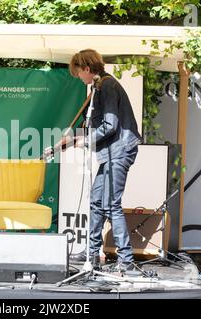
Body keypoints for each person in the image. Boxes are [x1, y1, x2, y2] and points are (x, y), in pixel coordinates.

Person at [67, 49, 143, 272]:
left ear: (87, 69)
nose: (79, 77)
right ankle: (91, 253)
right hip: (112, 152)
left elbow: (110, 125)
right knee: (96, 201)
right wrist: (74, 139)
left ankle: (126, 260)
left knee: (111, 204)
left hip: (119, 151)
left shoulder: (107, 86)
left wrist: (86, 140)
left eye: (79, 73)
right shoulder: (99, 87)